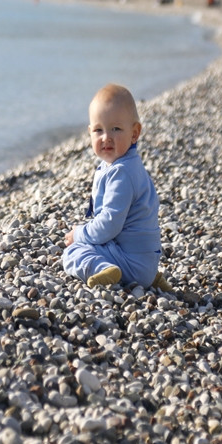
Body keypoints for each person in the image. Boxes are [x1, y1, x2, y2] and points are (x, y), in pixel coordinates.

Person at [63, 84, 172, 291]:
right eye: (98, 130)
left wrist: (79, 233)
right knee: (92, 241)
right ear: (90, 133)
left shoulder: (121, 173)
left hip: (132, 263)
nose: (106, 137)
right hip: (143, 262)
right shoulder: (128, 165)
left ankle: (103, 269)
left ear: (134, 133)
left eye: (116, 129)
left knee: (73, 252)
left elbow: (109, 225)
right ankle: (151, 278)